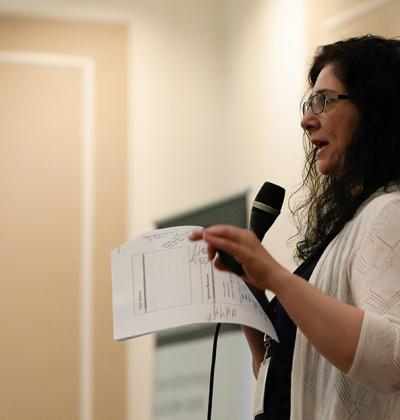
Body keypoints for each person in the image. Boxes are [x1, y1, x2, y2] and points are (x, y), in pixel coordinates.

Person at [189, 34, 400, 420]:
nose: (306, 120)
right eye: (309, 103)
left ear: (376, 111)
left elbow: (393, 358)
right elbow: (280, 377)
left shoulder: (390, 212)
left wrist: (277, 278)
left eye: (326, 101)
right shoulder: (349, 227)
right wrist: (250, 298)